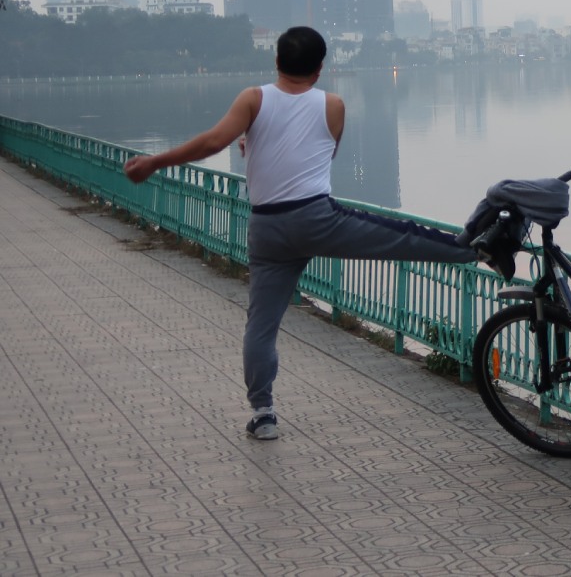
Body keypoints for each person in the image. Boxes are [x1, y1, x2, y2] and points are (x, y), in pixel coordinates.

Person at [124, 26, 487, 440]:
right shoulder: (333, 105)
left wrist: (156, 162)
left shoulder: (253, 99)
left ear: (276, 61)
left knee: (261, 326)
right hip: (317, 221)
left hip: (266, 229)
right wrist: (260, 143)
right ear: (319, 69)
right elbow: (320, 153)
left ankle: (263, 413)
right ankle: (475, 250)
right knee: (399, 235)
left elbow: (212, 142)